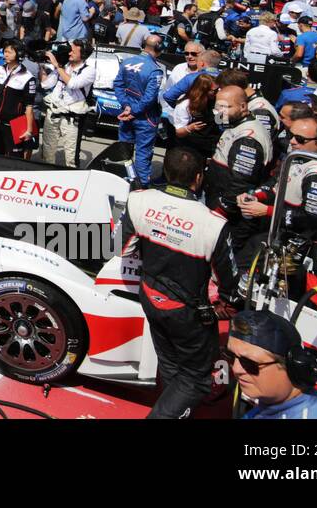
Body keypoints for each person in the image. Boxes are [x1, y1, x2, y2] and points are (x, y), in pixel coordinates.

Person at [121, 146, 242, 418]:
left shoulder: (138, 200)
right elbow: (229, 285)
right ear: (199, 178)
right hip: (188, 311)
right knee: (197, 379)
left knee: (170, 363)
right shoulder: (214, 224)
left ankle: (176, 409)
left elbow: (122, 249)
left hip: (150, 297)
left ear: (165, 172)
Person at [227, 309, 317, 419]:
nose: (236, 369)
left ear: (292, 365)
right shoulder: (273, 403)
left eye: (249, 363)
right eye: (230, 356)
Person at [205, 84, 275, 265]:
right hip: (219, 201)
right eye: (217, 106)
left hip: (232, 215)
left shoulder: (248, 139)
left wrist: (221, 210)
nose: (220, 112)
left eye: (225, 107)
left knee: (224, 260)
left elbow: (241, 184)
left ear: (243, 107)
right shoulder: (234, 122)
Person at [113, 34, 164, 188]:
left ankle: (121, 182)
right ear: (159, 47)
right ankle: (141, 186)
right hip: (145, 118)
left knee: (124, 150)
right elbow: (149, 98)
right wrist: (133, 111)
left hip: (126, 114)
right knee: (143, 154)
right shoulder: (155, 70)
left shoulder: (127, 62)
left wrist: (126, 107)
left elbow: (117, 85)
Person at [39, 40, 95, 167]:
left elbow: (73, 84)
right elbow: (46, 84)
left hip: (71, 118)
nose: (69, 53)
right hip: (53, 113)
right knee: (47, 152)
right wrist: (41, 66)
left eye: (73, 51)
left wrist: (57, 66)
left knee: (71, 156)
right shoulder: (64, 66)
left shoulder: (89, 71)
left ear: (83, 54)